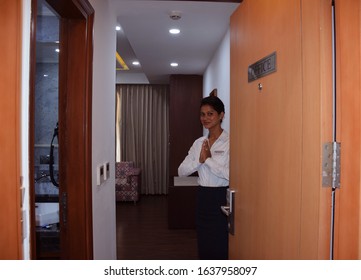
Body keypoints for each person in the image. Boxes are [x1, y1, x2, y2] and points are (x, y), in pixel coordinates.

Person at [178, 95, 229, 260]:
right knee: (204, 244)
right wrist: (199, 161)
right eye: (202, 114)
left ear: (221, 115)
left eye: (210, 113)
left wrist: (208, 160)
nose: (205, 118)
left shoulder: (231, 142)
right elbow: (181, 171)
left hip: (223, 198)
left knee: (221, 244)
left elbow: (231, 175)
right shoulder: (198, 142)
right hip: (203, 198)